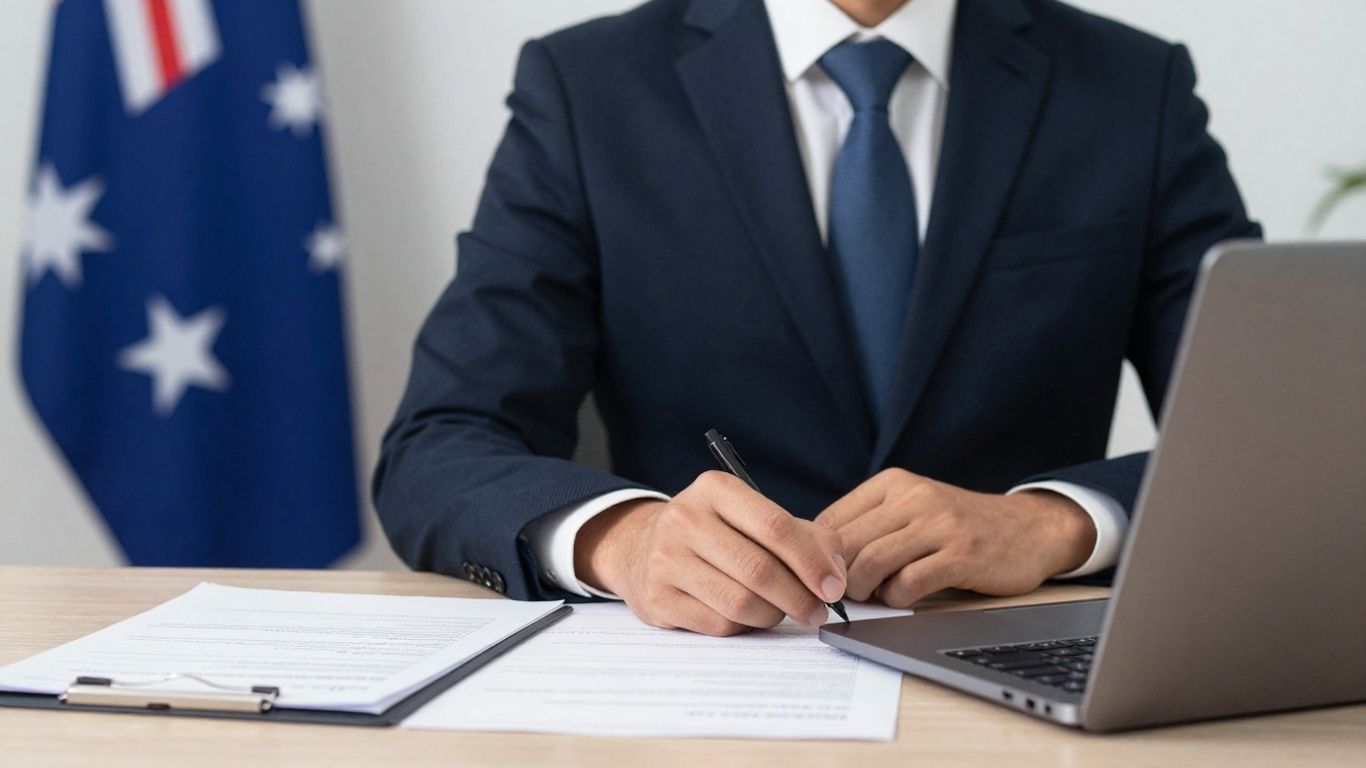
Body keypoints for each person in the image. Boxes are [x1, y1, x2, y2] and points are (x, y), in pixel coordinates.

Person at [374, 0, 1259, 636]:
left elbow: (1273, 435)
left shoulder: (1131, 89)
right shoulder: (588, 88)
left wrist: (1052, 523)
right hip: (707, 688)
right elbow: (440, 443)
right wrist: (625, 538)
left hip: (1025, 666)